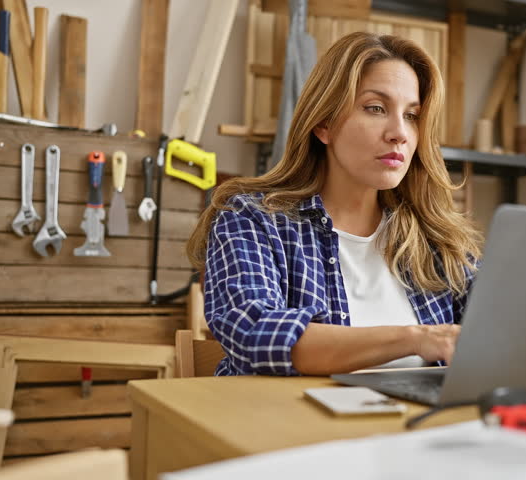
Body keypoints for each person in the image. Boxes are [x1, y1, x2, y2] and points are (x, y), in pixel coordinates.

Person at [186, 32, 482, 376]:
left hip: (415, 429)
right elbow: (258, 336)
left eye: (412, 115)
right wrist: (416, 338)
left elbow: (502, 335)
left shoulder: (436, 240)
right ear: (324, 124)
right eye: (375, 108)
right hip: (285, 426)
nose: (399, 132)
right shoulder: (251, 221)